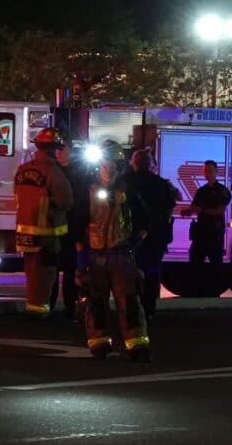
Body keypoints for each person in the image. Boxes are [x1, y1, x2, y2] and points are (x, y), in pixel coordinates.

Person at [74, 140, 150, 361]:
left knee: (129, 301)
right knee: (96, 301)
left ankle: (137, 346)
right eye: (106, 164)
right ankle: (98, 344)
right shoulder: (87, 191)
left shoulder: (129, 191)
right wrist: (81, 259)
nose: (109, 168)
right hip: (95, 256)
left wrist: (132, 246)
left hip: (121, 256)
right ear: (99, 166)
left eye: (114, 164)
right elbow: (79, 224)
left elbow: (145, 221)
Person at [14, 127, 74, 319]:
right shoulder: (54, 172)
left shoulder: (22, 170)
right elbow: (66, 202)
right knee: (45, 275)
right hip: (47, 235)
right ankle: (40, 313)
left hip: (24, 232)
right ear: (54, 149)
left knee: (31, 272)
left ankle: (33, 308)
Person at [126, 148, 178, 321]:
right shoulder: (162, 184)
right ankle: (149, 309)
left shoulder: (124, 182)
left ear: (134, 163)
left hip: (129, 236)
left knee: (129, 271)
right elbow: (170, 208)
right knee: (152, 271)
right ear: (151, 165)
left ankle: (131, 308)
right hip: (156, 236)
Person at [49, 141, 83, 320]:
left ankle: (70, 307)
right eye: (57, 149)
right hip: (53, 229)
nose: (59, 153)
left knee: (70, 272)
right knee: (52, 271)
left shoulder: (79, 174)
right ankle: (50, 306)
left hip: (71, 230)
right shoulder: (52, 171)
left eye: (63, 149)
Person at [181, 159, 231, 266]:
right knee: (194, 261)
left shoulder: (222, 191)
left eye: (209, 170)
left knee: (216, 265)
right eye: (205, 170)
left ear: (216, 172)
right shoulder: (201, 191)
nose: (207, 173)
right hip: (200, 233)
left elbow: (219, 211)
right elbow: (194, 208)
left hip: (214, 234)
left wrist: (201, 210)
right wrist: (186, 211)